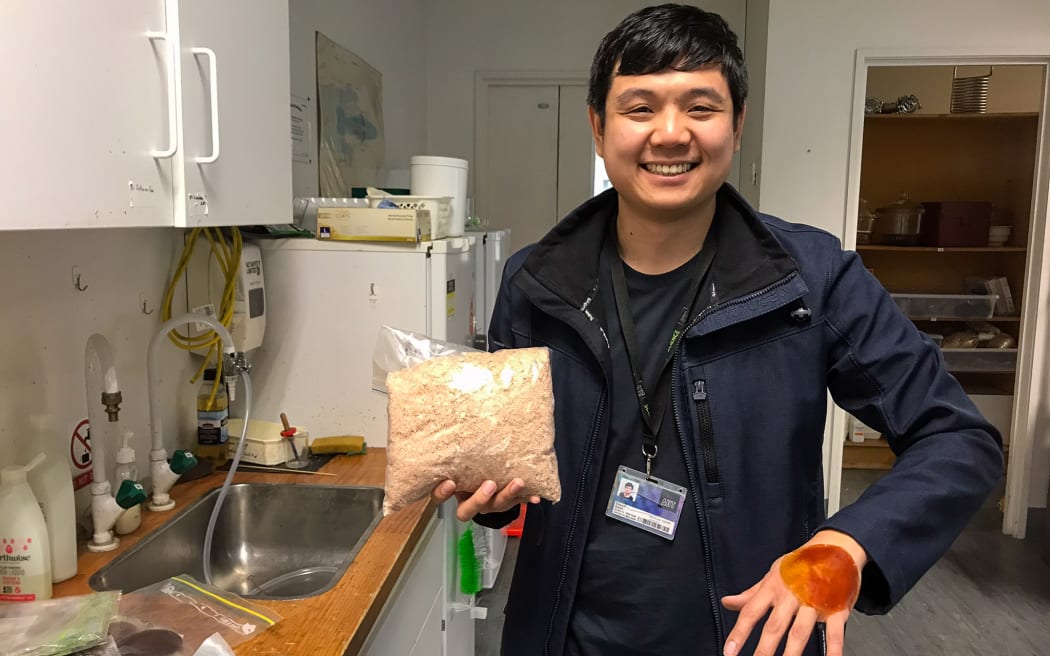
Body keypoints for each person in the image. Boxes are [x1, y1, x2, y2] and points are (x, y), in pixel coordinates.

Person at [432, 4, 1003, 655]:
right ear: (598, 127)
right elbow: (507, 487)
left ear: (737, 125)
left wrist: (849, 544)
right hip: (565, 637)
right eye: (639, 108)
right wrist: (492, 489)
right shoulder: (535, 283)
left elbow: (958, 438)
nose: (670, 134)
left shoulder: (810, 281)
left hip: (752, 638)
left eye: (700, 108)